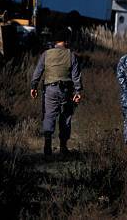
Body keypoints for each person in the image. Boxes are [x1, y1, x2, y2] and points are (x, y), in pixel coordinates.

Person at [30, 29, 82, 157]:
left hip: (50, 90)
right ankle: (63, 147)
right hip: (66, 91)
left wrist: (33, 86)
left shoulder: (46, 54)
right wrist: (78, 91)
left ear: (55, 42)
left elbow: (38, 72)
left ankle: (47, 145)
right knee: (66, 117)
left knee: (49, 116)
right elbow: (76, 76)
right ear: (65, 41)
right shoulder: (71, 55)